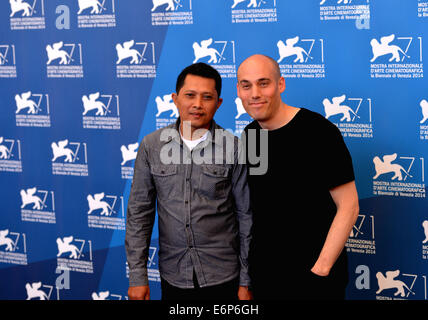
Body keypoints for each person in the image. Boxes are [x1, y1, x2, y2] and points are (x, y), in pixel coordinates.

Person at [125, 62, 253, 301]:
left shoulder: (234, 147)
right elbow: (139, 213)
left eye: (207, 97)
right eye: (190, 95)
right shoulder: (152, 146)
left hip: (224, 276)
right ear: (175, 98)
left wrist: (246, 281)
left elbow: (246, 216)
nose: (197, 104)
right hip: (174, 275)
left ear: (219, 103)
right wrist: (137, 275)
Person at [237, 54, 359, 300]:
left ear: (280, 84)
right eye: (246, 85)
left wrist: (320, 271)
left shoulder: (319, 132)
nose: (255, 94)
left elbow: (349, 205)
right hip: (266, 278)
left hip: (314, 281)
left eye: (264, 83)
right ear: (238, 90)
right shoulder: (250, 135)